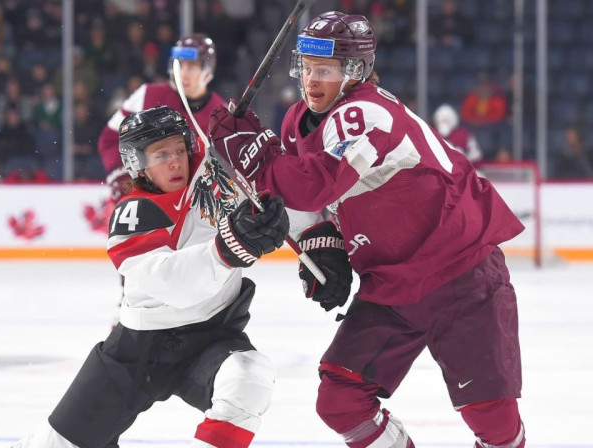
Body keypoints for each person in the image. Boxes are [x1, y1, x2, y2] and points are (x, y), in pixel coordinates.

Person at [208, 11, 526, 448]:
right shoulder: (298, 121)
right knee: (339, 400)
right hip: (391, 285)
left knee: (493, 420)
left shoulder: (367, 114)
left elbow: (313, 184)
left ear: (355, 71)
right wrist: (322, 244)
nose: (311, 79)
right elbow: (310, 205)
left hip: (460, 274)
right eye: (306, 67)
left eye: (325, 70)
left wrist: (253, 156)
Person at [12, 106, 290, 448]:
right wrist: (230, 248)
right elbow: (175, 285)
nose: (175, 161)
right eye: (161, 155)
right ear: (136, 164)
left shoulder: (214, 170)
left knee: (249, 377)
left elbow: (277, 187)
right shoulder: (134, 213)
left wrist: (318, 240)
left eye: (178, 150)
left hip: (211, 337)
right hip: (139, 351)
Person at [98, 33, 226, 203]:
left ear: (207, 70)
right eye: (179, 65)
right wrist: (122, 178)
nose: (183, 74)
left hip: (194, 209)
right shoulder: (147, 94)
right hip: (144, 198)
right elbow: (109, 139)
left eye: (192, 67)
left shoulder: (222, 115)